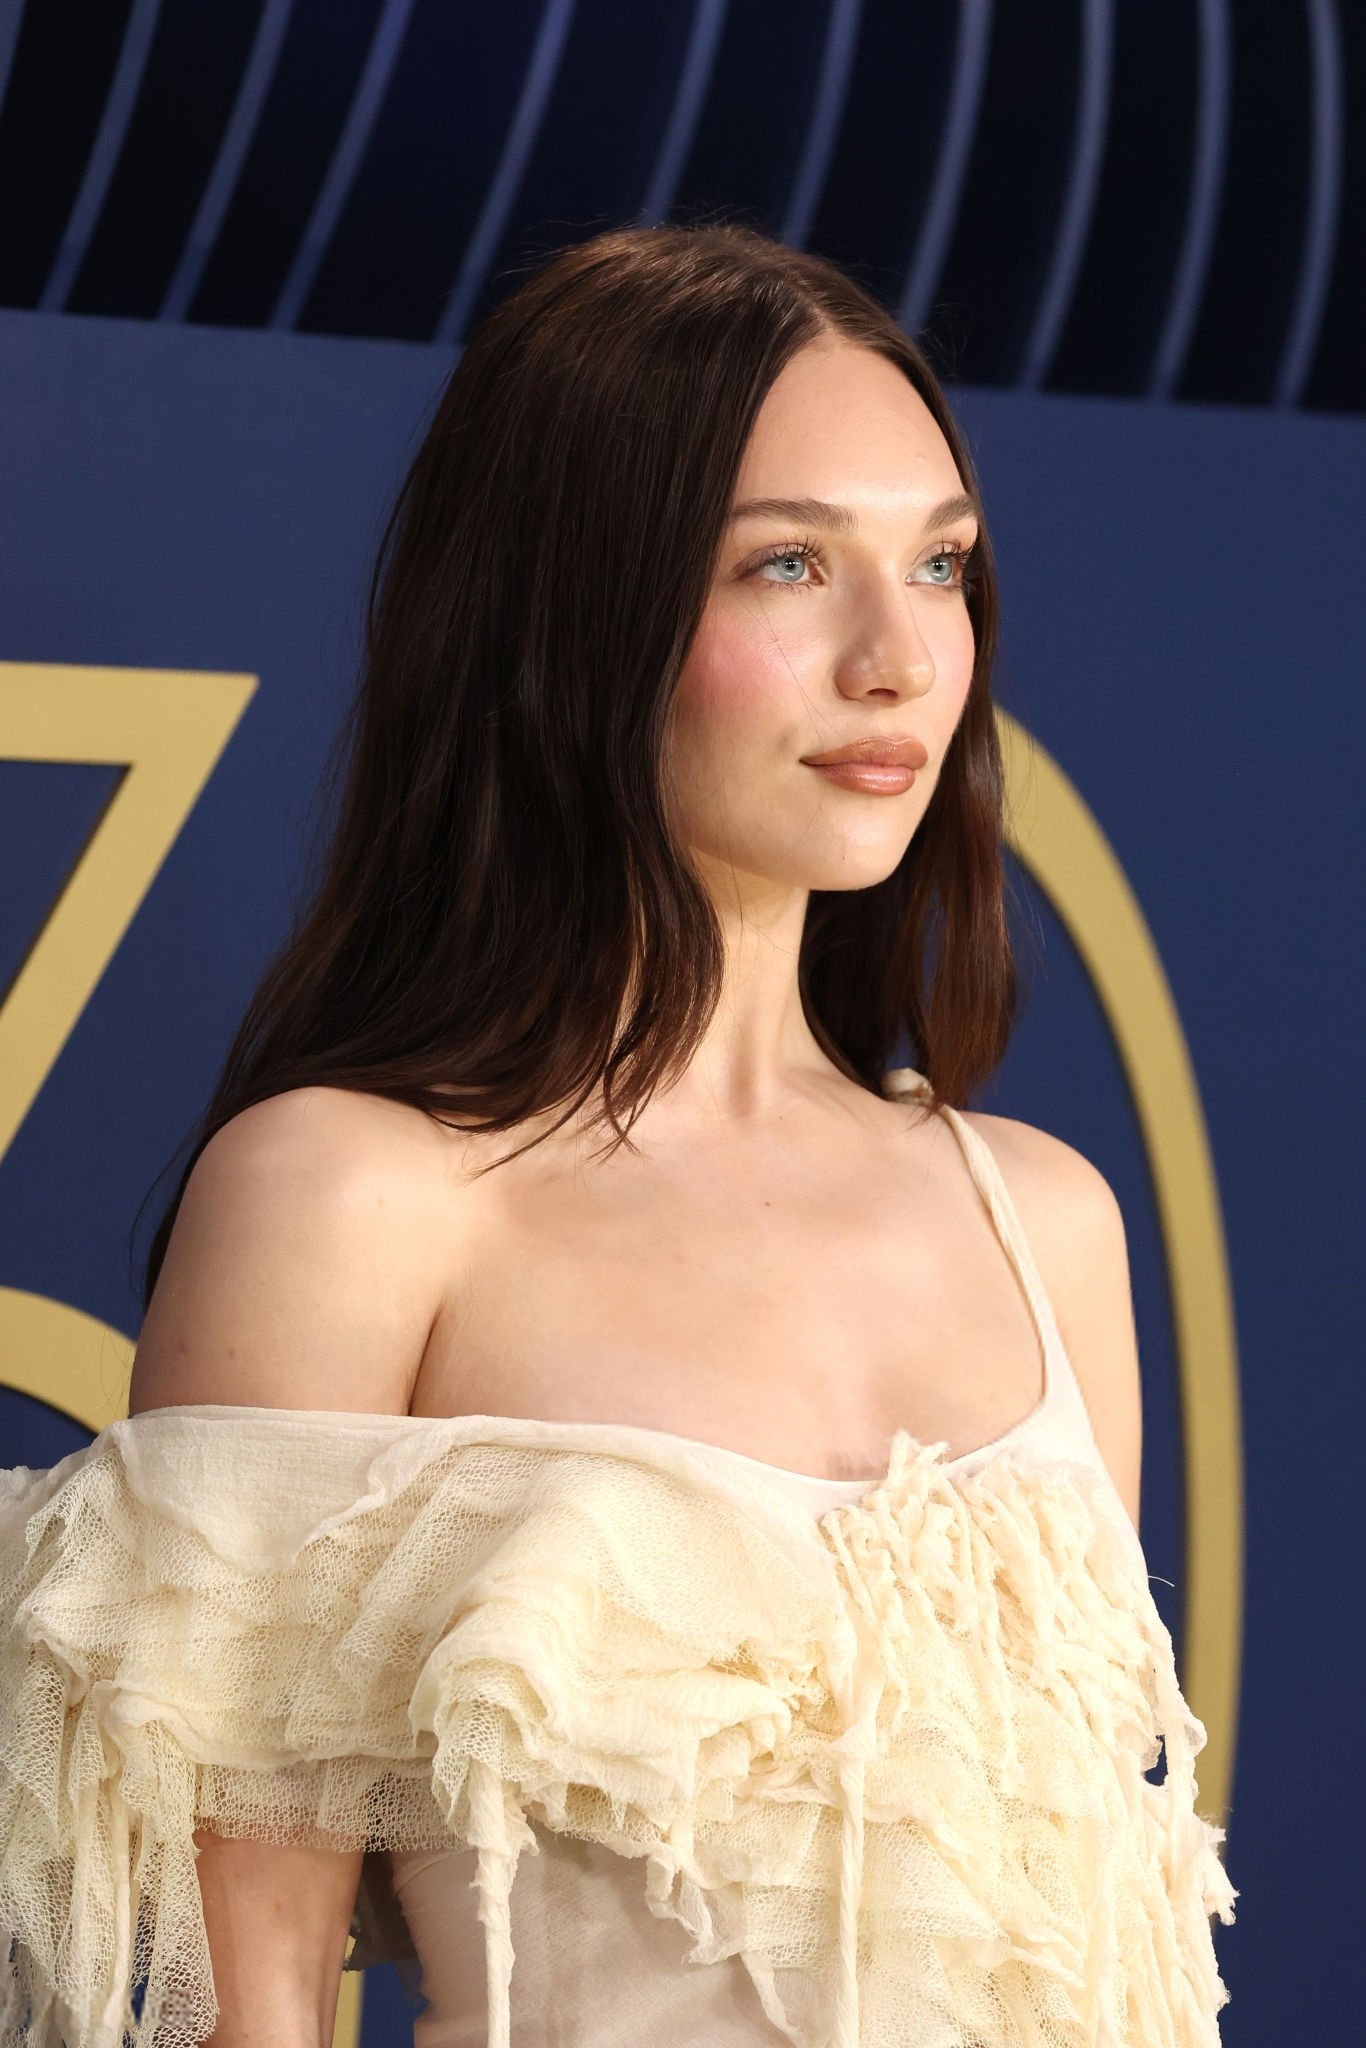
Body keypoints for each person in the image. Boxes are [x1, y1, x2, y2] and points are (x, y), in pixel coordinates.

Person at [0, 223, 1237, 2048]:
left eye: (940, 563)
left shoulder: (1040, 1218)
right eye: (788, 564)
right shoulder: (354, 1199)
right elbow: (235, 2004)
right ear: (577, 610)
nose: (898, 658)